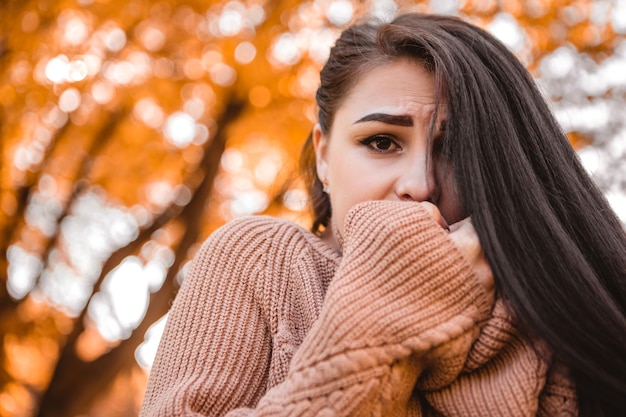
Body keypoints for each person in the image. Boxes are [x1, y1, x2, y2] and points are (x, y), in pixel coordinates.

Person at [139, 12, 626, 417]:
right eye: (381, 142)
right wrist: (389, 300)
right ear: (324, 154)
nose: (420, 185)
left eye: (453, 150)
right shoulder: (260, 261)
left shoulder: (554, 312)